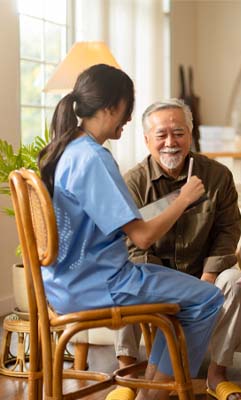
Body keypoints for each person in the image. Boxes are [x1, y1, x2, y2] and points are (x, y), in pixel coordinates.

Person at [37, 64, 224, 400]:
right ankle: (156, 394)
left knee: (183, 295)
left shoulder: (66, 148)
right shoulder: (94, 158)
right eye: (127, 109)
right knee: (207, 298)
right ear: (112, 106)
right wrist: (182, 200)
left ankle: (151, 388)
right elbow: (142, 238)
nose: (127, 119)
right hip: (98, 285)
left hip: (63, 283)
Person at [114, 99, 241, 400]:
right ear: (147, 139)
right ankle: (127, 376)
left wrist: (210, 275)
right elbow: (131, 243)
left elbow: (228, 230)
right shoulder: (133, 182)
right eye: (161, 135)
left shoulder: (217, 176)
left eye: (178, 133)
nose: (170, 143)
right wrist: (165, 282)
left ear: (191, 134)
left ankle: (217, 375)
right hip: (154, 272)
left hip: (203, 273)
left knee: (237, 284)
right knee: (123, 276)